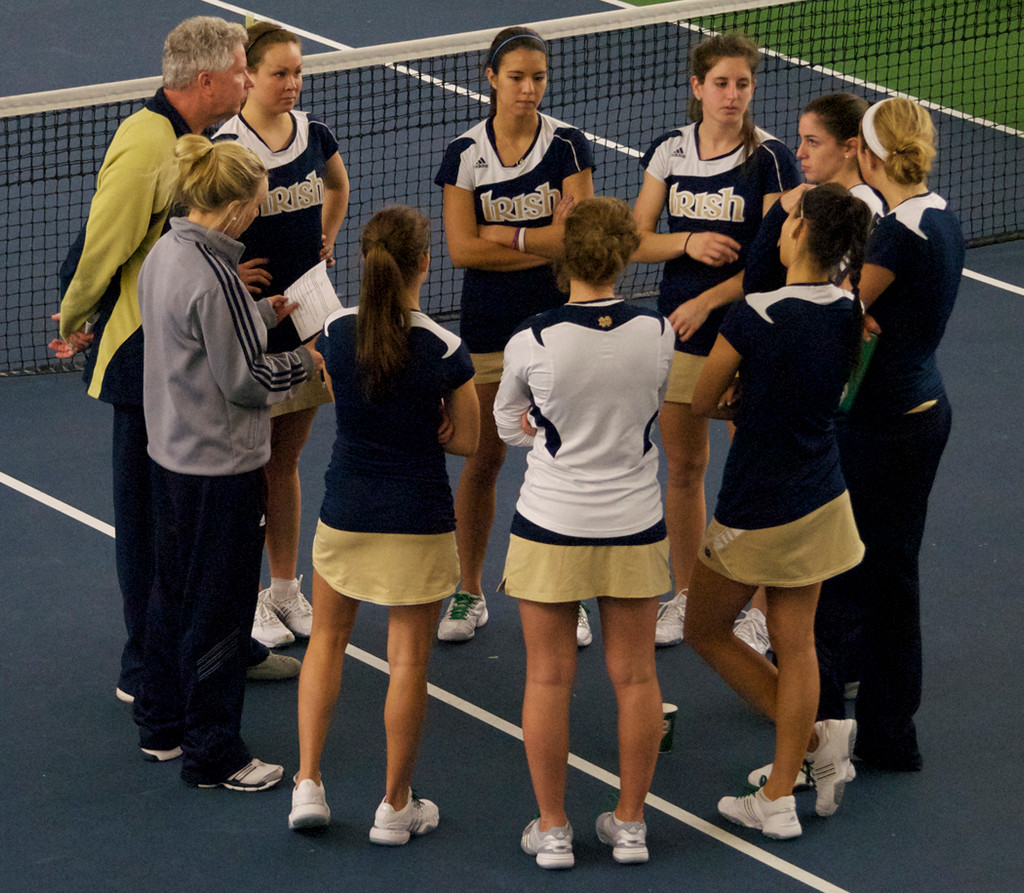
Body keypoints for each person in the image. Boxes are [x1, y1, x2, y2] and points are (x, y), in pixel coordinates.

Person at [49, 16, 295, 700]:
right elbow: (102, 242)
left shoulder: (196, 140)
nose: (251, 80)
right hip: (139, 359)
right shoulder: (147, 144)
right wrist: (75, 318)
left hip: (184, 348)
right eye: (244, 70)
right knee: (153, 526)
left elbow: (183, 234)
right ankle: (145, 670)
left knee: (209, 519)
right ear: (209, 79)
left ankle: (224, 643)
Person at [684, 183, 871, 839]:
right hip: (822, 499)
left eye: (789, 218)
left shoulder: (754, 317)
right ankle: (788, 782)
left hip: (757, 507)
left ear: (798, 232)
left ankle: (801, 763)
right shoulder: (852, 311)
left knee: (703, 628)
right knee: (797, 645)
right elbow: (838, 391)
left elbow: (703, 400)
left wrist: (745, 399)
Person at [288, 206, 480, 840]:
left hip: (345, 515)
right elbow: (469, 442)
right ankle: (395, 807)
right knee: (406, 663)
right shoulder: (445, 349)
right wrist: (438, 427)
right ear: (425, 263)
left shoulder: (336, 334)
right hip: (417, 522)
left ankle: (308, 785)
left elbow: (346, 395)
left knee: (326, 644)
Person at [494, 197, 674, 868]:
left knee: (547, 678)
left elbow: (508, 424)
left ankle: (554, 829)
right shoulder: (659, 333)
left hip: (552, 525)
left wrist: (544, 431)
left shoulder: (532, 339)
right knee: (635, 678)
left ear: (564, 257)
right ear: (624, 255)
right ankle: (630, 826)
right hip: (634, 524)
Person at [135, 135, 320, 789]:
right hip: (220, 469)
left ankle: (161, 726)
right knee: (220, 606)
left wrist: (259, 311)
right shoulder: (214, 277)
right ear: (238, 206)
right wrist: (304, 363)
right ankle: (214, 753)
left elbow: (195, 341)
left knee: (172, 591)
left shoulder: (166, 254)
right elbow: (244, 381)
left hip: (172, 456)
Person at [631, 33, 801, 649]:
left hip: (746, 332)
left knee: (754, 469)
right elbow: (636, 238)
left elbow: (776, 260)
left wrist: (708, 298)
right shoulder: (669, 152)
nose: (733, 95)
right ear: (697, 87)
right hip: (680, 334)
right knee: (685, 466)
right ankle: (686, 593)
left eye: (744, 84)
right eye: (722, 83)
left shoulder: (773, 160)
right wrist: (686, 244)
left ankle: (757, 608)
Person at [810, 97, 964, 771]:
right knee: (889, 572)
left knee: (849, 573)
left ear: (869, 158)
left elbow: (839, 305)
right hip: (921, 411)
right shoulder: (939, 216)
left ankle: (842, 733)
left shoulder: (898, 235)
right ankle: (885, 728)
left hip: (880, 429)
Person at [433, 25, 595, 644]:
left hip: (560, 326)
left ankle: (569, 593)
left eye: (539, 78)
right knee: (483, 458)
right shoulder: (465, 154)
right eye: (518, 77)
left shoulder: (568, 147)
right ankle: (467, 591)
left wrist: (503, 235)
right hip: (489, 330)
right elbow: (460, 250)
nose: (529, 89)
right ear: (491, 78)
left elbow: (579, 241)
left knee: (566, 459)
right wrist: (542, 243)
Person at [215, 21, 351, 650]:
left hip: (307, 318)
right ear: (250, 77)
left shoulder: (314, 135)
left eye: (298, 72)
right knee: (250, 464)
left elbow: (338, 186)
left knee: (287, 460)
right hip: (249, 327)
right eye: (280, 72)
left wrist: (326, 239)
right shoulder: (227, 145)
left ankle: (285, 588)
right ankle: (246, 600)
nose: (292, 83)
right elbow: (187, 221)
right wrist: (225, 266)